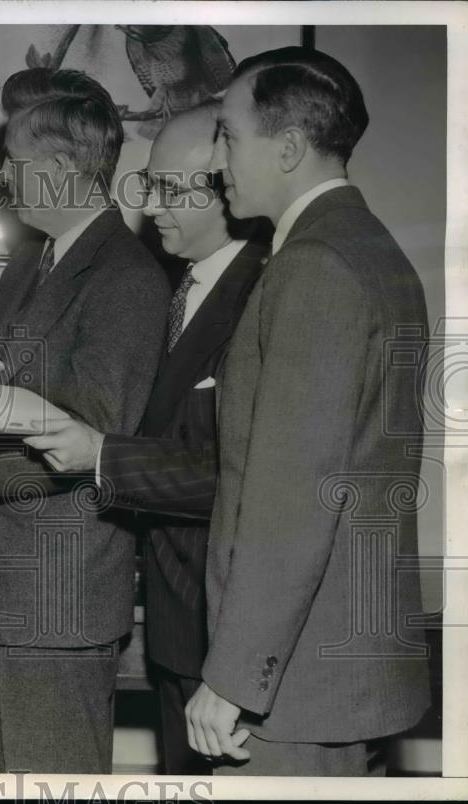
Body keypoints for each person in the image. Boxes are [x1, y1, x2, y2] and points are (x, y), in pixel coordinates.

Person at [0, 67, 170, 774]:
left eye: (14, 163)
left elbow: (88, 434)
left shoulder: (128, 277)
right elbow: (6, 402)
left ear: (58, 168)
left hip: (56, 596)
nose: (5, 180)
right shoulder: (27, 263)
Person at [185, 46, 431, 775]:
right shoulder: (374, 251)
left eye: (227, 133)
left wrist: (229, 681)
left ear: (288, 147)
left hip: (291, 690)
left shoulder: (316, 266)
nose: (214, 158)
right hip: (338, 673)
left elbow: (292, 500)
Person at [23, 100, 268, 774]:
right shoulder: (174, 287)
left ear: (225, 187)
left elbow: (238, 476)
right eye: (148, 184)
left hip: (227, 635)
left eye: (168, 188)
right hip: (176, 626)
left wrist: (100, 454)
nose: (149, 205)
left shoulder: (264, 295)